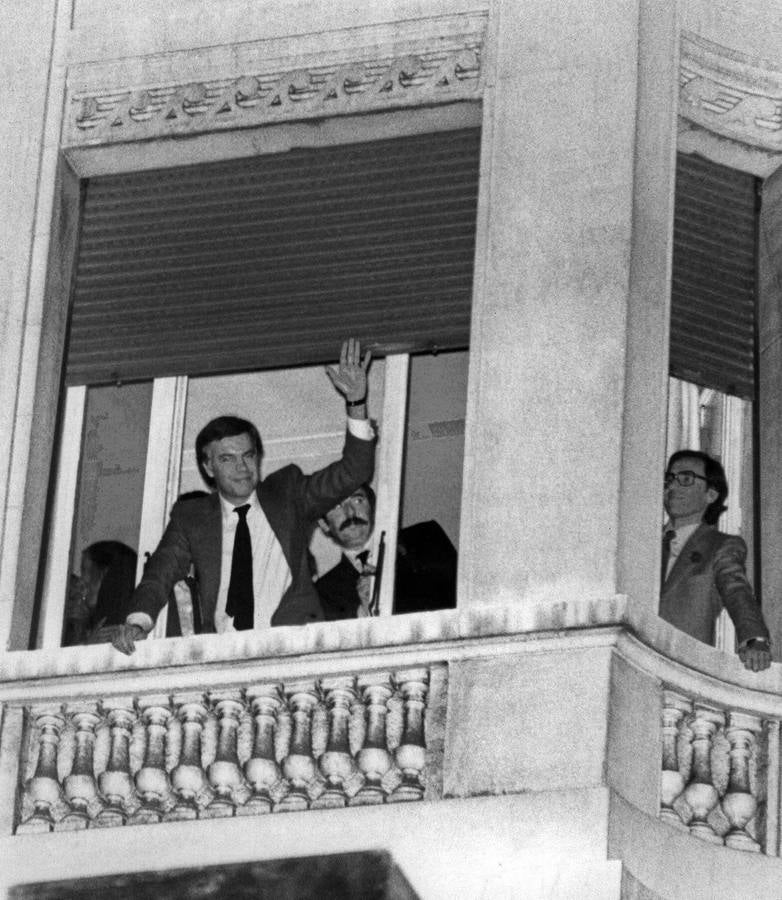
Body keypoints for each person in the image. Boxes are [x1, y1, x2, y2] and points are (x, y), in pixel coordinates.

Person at [112, 338, 375, 654]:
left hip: (291, 646)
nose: (241, 467)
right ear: (208, 467)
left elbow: (354, 471)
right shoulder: (191, 517)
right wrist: (137, 623)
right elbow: (160, 572)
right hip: (226, 653)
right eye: (227, 459)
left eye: (248, 456)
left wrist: (356, 402)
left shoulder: (289, 492)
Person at [659, 449, 771, 672]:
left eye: (686, 479)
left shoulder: (720, 546)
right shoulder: (643, 543)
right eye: (669, 479)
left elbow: (737, 591)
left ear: (711, 494)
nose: (673, 487)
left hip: (683, 668)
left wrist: (753, 639)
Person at [315, 483, 457, 619]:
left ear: (373, 508)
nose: (350, 513)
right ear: (324, 524)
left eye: (358, 500)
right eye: (336, 506)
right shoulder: (323, 593)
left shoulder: (426, 538)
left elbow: (460, 598)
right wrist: (364, 614)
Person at [64, 541, 138, 645]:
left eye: (84, 570)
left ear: (104, 574)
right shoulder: (84, 621)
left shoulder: (118, 625)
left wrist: (88, 647)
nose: (81, 581)